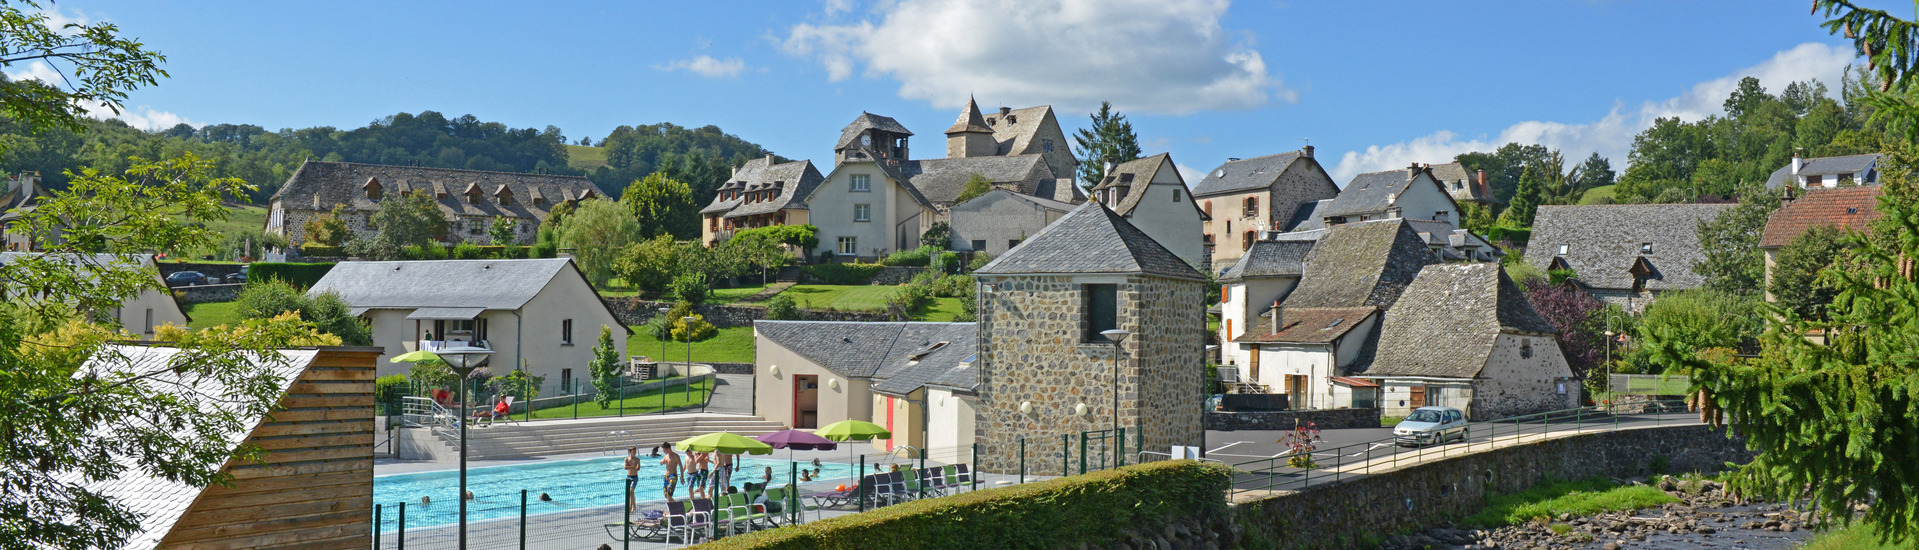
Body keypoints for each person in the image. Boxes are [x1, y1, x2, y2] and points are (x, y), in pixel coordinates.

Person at [623, 446, 643, 512]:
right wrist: (633, 466)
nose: (634, 453)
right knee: (630, 492)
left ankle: (630, 507)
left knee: (631, 491)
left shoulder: (637, 459)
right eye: (633, 451)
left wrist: (630, 466)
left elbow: (638, 468)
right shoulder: (626, 459)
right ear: (629, 452)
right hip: (628, 477)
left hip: (634, 477)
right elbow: (625, 467)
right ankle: (634, 506)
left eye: (635, 451)